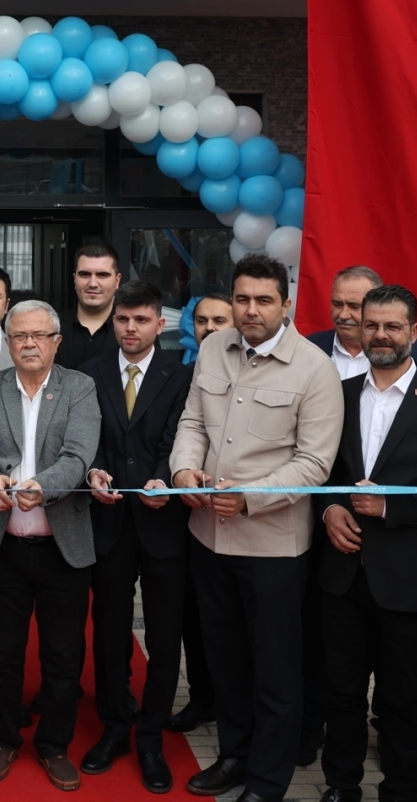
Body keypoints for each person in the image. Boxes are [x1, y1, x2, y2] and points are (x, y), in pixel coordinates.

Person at [170, 253, 342, 802]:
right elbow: (193, 421)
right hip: (208, 537)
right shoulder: (214, 349)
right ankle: (234, 756)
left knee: (275, 673)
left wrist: (249, 498)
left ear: (285, 305)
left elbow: (314, 464)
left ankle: (268, 780)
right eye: (242, 298)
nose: (251, 310)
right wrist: (182, 470)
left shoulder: (315, 369)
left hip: (273, 549)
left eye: (264, 300)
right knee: (226, 663)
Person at [316, 284, 417, 802]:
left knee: (406, 701)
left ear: (414, 332)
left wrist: (390, 506)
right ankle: (341, 786)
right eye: (371, 325)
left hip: (411, 580)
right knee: (341, 692)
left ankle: (401, 791)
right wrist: (329, 507)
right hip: (342, 575)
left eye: (392, 326)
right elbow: (320, 472)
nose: (380, 335)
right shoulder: (337, 396)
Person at [0, 300, 100, 792]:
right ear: (8, 341)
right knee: (3, 652)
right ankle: (3, 738)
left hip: (62, 547)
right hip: (5, 546)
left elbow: (79, 455)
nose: (29, 344)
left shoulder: (79, 387)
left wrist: (45, 485)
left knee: (62, 656)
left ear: (56, 342)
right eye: (19, 335)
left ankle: (54, 745)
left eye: (39, 335)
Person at [80, 280, 194, 792]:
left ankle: (150, 738)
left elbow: (182, 436)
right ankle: (113, 728)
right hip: (107, 523)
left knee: (165, 637)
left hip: (164, 523)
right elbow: (85, 436)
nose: (130, 328)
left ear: (159, 324)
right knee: (109, 631)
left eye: (141, 320)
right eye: (123, 320)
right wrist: (94, 470)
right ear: (113, 321)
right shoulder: (90, 373)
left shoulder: (182, 376)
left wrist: (165, 479)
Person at [170, 293, 229, 731]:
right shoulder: (182, 371)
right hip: (188, 514)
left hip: (239, 513)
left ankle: (231, 701)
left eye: (219, 320)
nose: (209, 328)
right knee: (194, 616)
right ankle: (202, 696)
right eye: (202, 320)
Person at [57, 240, 122, 369]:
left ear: (117, 281)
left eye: (102, 275)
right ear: (74, 279)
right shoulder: (52, 328)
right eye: (85, 274)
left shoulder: (133, 330)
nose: (93, 283)